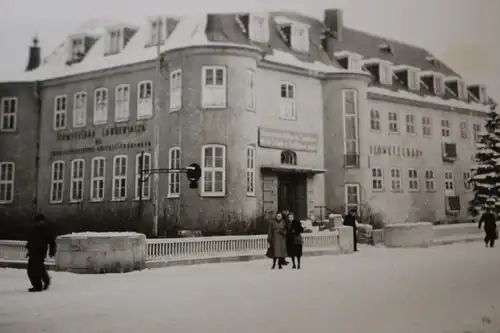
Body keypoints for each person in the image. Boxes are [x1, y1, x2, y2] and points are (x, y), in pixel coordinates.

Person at [25, 214, 56, 292]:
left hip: (40, 252)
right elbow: (31, 240)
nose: (39, 223)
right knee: (32, 269)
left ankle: (39, 285)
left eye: (40, 221)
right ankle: (41, 283)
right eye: (37, 222)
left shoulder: (46, 230)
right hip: (32, 252)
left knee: (37, 268)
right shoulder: (33, 229)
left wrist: (52, 251)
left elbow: (52, 241)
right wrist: (29, 248)